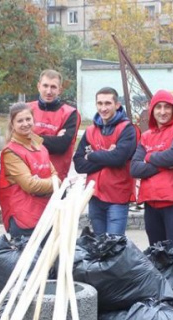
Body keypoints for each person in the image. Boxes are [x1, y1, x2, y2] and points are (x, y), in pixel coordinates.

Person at [130, 90, 173, 258]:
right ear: (152, 110)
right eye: (158, 107)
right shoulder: (146, 136)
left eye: (167, 107)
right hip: (151, 203)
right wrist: (165, 164)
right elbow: (134, 168)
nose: (162, 112)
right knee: (157, 257)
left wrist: (148, 157)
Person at [73, 87, 138, 235]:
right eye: (100, 103)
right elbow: (78, 164)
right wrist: (108, 155)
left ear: (117, 105)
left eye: (107, 103)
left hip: (117, 197)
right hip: (94, 196)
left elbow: (118, 158)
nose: (103, 108)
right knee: (99, 246)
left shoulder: (127, 129)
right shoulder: (90, 130)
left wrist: (91, 155)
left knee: (113, 248)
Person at [0, 102, 58, 237]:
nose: (25, 123)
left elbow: (56, 176)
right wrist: (53, 183)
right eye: (20, 121)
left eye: (28, 119)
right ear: (12, 124)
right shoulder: (10, 152)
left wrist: (46, 182)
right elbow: (30, 185)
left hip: (44, 215)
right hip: (24, 220)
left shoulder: (40, 147)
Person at [28, 69, 81, 182]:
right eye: (45, 86)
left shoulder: (70, 113)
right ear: (38, 86)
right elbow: (15, 141)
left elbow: (61, 146)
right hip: (27, 176)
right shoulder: (26, 109)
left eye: (53, 87)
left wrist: (30, 136)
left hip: (55, 180)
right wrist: (53, 138)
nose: (49, 91)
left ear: (60, 90)